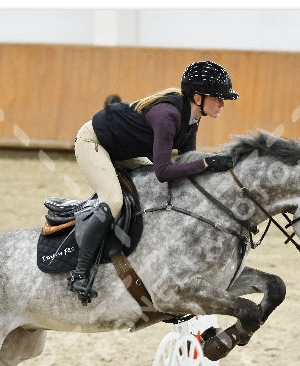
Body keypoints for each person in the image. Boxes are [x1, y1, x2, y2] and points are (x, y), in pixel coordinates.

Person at [68, 60, 239, 300]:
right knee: (114, 201)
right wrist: (207, 163)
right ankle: (79, 273)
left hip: (123, 149)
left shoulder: (193, 116)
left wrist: (215, 168)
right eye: (218, 98)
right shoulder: (167, 115)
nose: (222, 104)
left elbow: (185, 160)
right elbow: (164, 171)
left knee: (153, 192)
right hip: (94, 143)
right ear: (198, 97)